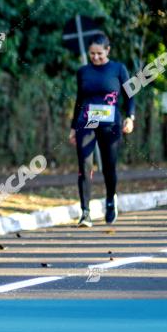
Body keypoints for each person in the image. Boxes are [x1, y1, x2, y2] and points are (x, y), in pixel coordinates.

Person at [69, 34, 135, 227]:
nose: (95, 57)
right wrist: (73, 127)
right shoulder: (83, 71)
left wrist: (130, 117)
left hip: (110, 124)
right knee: (85, 167)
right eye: (92, 54)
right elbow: (79, 100)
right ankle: (85, 212)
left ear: (108, 50)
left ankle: (110, 200)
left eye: (99, 53)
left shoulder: (118, 69)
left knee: (109, 166)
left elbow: (130, 96)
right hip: (86, 122)